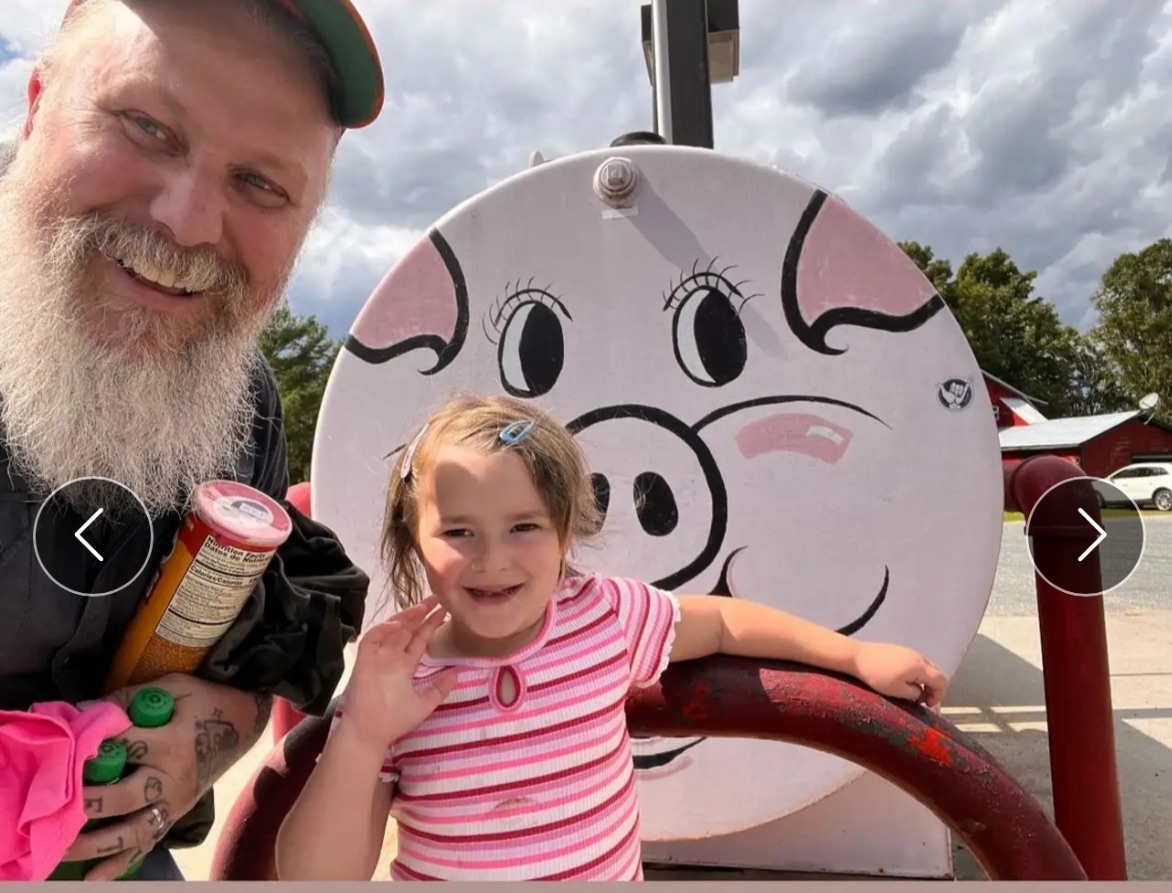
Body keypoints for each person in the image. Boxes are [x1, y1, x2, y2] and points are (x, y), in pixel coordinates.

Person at [0, 0, 384, 880]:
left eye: (260, 184)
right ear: (34, 105)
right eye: (147, 126)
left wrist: (211, 737)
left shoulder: (239, 404)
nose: (186, 221)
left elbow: (256, 658)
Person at [275, 393, 950, 881]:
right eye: (458, 531)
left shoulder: (601, 617)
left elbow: (722, 619)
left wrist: (856, 654)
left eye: (524, 526)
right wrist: (362, 733)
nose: (492, 557)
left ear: (568, 530)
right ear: (413, 539)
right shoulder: (398, 680)